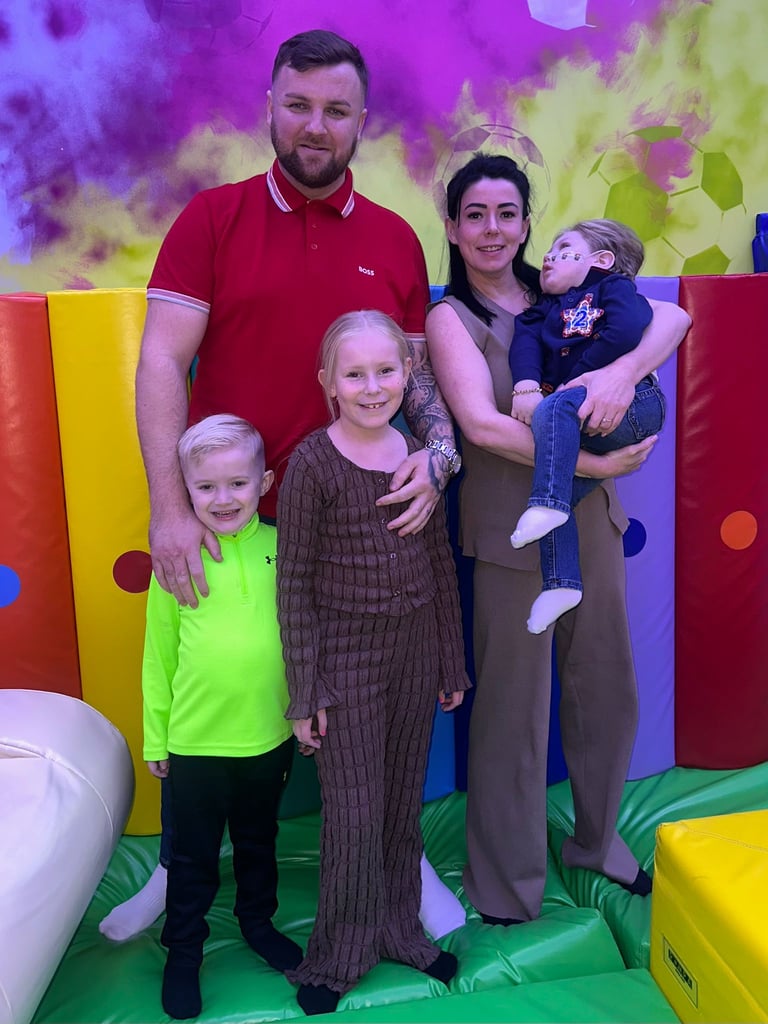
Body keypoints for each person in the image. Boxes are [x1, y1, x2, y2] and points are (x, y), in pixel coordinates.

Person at [103, 28, 464, 944]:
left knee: (373, 711)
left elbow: (413, 375)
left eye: (336, 110)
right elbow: (161, 361)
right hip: (230, 520)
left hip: (359, 532)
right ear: (269, 106)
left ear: (361, 120)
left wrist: (438, 452)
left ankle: (399, 861)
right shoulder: (211, 219)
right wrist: (170, 509)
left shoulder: (394, 238)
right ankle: (184, 868)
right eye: (297, 105)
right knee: (212, 698)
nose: (315, 125)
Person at [425, 154, 690, 926]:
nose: (492, 229)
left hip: (590, 522)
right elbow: (481, 426)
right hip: (510, 536)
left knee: (606, 686)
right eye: (475, 214)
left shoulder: (569, 287)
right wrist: (594, 461)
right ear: (452, 227)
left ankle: (597, 842)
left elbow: (672, 321)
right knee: (512, 711)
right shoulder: (451, 318)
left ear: (527, 224)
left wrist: (623, 374)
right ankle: (507, 883)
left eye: (507, 213)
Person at [276, 311, 472, 1016]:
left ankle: (400, 931)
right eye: (354, 374)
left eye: (386, 371)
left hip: (415, 654)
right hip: (345, 661)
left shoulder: (420, 456)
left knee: (399, 805)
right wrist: (305, 692)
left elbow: (438, 561)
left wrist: (450, 659)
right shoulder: (312, 465)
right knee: (354, 813)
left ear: (407, 374)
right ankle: (338, 955)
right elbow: (293, 583)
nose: (371, 387)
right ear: (328, 383)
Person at [142, 414, 302, 1019]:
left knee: (259, 843)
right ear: (185, 490)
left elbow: (305, 638)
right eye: (206, 487)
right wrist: (156, 736)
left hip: (268, 737)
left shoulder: (284, 548)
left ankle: (258, 923)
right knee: (193, 858)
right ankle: (184, 951)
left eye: (237, 483)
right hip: (196, 744)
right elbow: (158, 656)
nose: (223, 498)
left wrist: (305, 709)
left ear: (264, 483)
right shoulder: (177, 559)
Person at [508, 219, 666, 633]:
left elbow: (626, 328)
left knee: (550, 440)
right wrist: (525, 385)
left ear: (601, 260)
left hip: (636, 405)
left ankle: (548, 503)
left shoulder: (611, 288)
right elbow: (524, 341)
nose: (548, 256)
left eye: (564, 249)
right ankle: (562, 585)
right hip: (577, 417)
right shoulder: (542, 311)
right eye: (549, 249)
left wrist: (581, 378)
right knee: (558, 496)